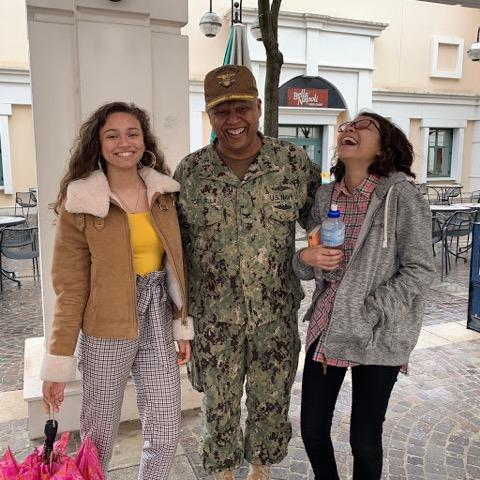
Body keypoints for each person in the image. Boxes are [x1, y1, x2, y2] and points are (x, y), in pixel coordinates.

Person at [174, 65, 321, 480]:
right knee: (217, 403)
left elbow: (320, 221)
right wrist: (177, 315)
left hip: (273, 314)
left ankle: (261, 469)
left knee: (271, 399)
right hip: (213, 318)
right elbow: (176, 248)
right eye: (222, 112)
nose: (233, 120)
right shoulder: (190, 173)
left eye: (241, 108)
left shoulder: (292, 163)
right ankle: (221, 472)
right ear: (209, 116)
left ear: (258, 107)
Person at [40, 101, 194, 480]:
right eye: (112, 134)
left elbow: (176, 265)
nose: (123, 142)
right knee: (98, 437)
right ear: (98, 142)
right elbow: (70, 287)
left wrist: (180, 324)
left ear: (145, 141)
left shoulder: (164, 194)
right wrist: (59, 361)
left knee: (166, 429)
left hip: (157, 318)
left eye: (132, 133)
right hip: (106, 326)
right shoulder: (82, 202)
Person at [294, 112, 435, 479]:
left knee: (365, 440)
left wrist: (371, 310)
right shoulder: (325, 196)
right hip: (328, 323)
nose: (348, 130)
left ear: (384, 145)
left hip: (378, 330)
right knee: (311, 429)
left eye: (361, 126)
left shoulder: (402, 194)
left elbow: (420, 269)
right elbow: (311, 263)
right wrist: (305, 258)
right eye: (345, 127)